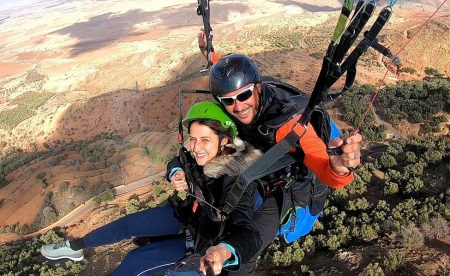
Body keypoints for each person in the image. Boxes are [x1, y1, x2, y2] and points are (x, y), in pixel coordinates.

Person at [172, 33, 364, 275]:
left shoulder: (288, 123)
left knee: (250, 243)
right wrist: (209, 53)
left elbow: (328, 172)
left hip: (286, 188)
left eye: (244, 96)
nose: (239, 106)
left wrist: (341, 166)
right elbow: (227, 74)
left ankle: (231, 263)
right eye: (228, 101)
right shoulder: (241, 90)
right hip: (260, 166)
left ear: (258, 88)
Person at [41, 101, 264, 276]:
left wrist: (223, 251)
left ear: (225, 141)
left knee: (136, 261)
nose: (196, 147)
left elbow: (248, 232)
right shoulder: (200, 157)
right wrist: (175, 173)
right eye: (193, 139)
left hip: (205, 239)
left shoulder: (237, 179)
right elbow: (179, 160)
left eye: (205, 140)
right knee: (130, 224)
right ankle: (76, 246)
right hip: (187, 214)